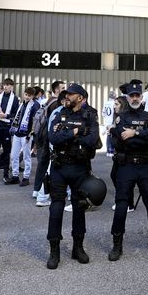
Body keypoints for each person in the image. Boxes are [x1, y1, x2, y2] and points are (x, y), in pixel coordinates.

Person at [108, 82, 148, 261]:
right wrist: (145, 138)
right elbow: (120, 139)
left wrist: (134, 134)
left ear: (142, 98)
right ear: (128, 98)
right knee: (121, 205)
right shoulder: (122, 117)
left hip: (145, 167)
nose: (134, 98)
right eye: (131, 95)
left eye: (137, 95)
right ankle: (117, 245)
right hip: (126, 166)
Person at [44, 83, 99, 269]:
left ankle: (78, 247)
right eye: (66, 94)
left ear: (81, 98)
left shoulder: (90, 114)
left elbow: (93, 140)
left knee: (79, 208)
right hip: (59, 167)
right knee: (56, 209)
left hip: (80, 168)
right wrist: (76, 131)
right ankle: (54, 250)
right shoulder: (59, 112)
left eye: (71, 95)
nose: (66, 97)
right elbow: (53, 137)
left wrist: (66, 132)